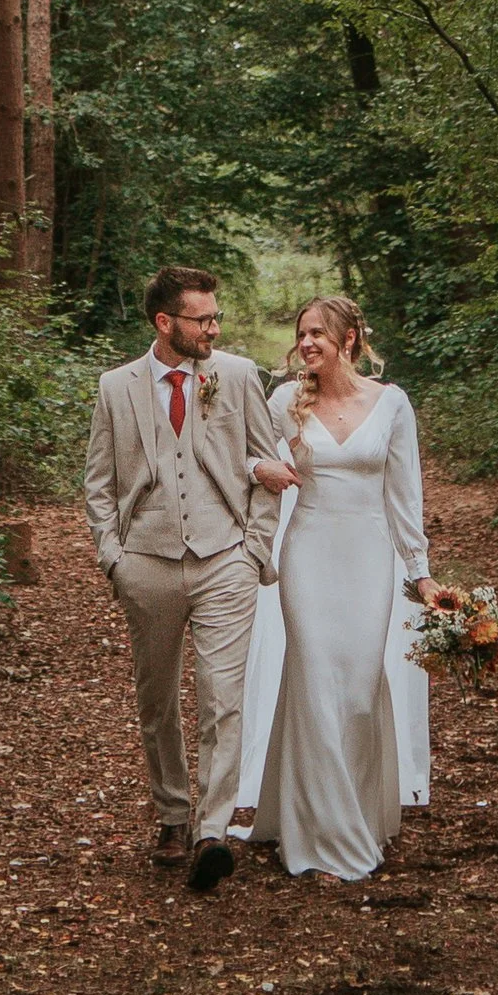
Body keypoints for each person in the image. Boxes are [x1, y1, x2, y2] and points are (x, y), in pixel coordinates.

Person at [83, 266, 298, 893]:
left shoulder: (235, 375)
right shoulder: (115, 387)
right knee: (157, 701)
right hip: (146, 563)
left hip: (224, 557)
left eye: (215, 317)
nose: (213, 327)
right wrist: (114, 558)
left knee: (221, 697)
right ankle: (173, 812)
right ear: (164, 323)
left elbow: (267, 461)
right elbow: (98, 485)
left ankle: (213, 828)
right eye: (201, 319)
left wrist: (256, 547)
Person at [240, 295, 440, 884]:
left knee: (356, 690)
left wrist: (419, 569)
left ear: (349, 339)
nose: (306, 343)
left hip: (368, 558)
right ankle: (326, 837)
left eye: (318, 334)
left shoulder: (391, 403)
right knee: (316, 682)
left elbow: (405, 496)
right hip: (308, 556)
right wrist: (262, 469)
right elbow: (241, 452)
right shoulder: (284, 402)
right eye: (301, 333)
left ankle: (355, 810)